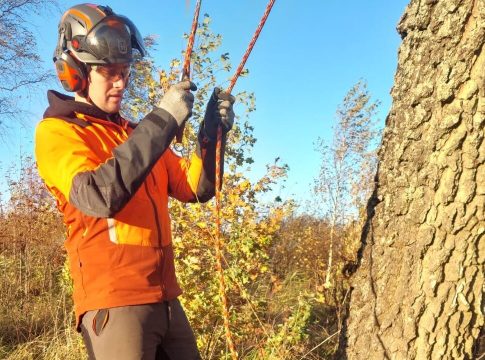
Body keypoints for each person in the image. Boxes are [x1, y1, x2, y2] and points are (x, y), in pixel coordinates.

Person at [34, 3, 235, 359]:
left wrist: (212, 135)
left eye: (125, 71)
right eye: (110, 72)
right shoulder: (58, 132)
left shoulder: (138, 135)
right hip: (115, 305)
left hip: (168, 301)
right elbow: (98, 194)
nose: (121, 82)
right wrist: (162, 121)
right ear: (75, 72)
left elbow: (196, 188)